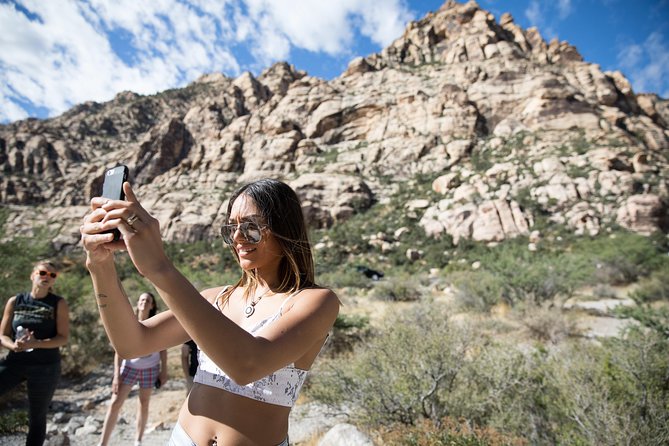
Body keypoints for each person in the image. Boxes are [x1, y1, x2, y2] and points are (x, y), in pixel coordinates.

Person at [80, 177, 340, 446]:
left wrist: (159, 268)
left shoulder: (317, 302)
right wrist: (99, 265)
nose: (238, 238)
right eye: (231, 228)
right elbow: (131, 343)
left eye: (250, 228)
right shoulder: (217, 298)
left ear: (283, 228)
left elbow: (247, 365)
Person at [0, 260, 70, 446]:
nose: (47, 277)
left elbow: (63, 338)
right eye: (43, 273)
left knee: (37, 416)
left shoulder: (57, 303)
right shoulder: (16, 301)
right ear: (33, 275)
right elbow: (3, 335)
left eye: (52, 275)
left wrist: (37, 343)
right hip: (14, 362)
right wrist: (13, 345)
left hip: (45, 368)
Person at [98, 292, 168, 446]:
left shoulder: (156, 322)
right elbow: (119, 350)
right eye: (142, 299)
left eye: (148, 300)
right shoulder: (128, 322)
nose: (144, 302)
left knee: (144, 403)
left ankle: (138, 440)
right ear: (138, 303)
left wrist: (164, 371)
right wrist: (116, 375)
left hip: (150, 368)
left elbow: (163, 348)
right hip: (129, 366)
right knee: (115, 402)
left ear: (152, 305)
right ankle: (102, 443)